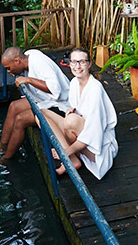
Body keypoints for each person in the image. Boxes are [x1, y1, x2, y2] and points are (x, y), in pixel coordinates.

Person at [0, 46, 70, 169]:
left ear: (17, 61)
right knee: (14, 106)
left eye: (8, 68)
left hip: (61, 105)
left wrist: (28, 80)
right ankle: (1, 147)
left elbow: (55, 89)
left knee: (21, 120)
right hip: (45, 100)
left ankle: (6, 159)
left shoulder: (39, 63)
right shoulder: (28, 55)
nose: (8, 72)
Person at [41, 47, 118, 179]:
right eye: (74, 62)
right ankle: (72, 160)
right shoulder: (74, 83)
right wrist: (71, 111)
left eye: (82, 62)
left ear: (89, 63)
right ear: (69, 64)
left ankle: (66, 156)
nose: (78, 66)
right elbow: (79, 109)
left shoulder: (95, 89)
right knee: (41, 114)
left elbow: (93, 131)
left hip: (97, 148)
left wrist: (64, 152)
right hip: (81, 136)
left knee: (71, 121)